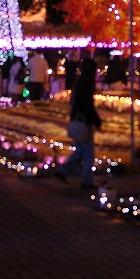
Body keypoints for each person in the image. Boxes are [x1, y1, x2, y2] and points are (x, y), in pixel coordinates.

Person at [54, 55, 102, 189]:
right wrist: (96, 120)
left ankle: (62, 171)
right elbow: (87, 106)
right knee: (87, 154)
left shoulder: (79, 82)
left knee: (81, 151)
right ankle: (86, 181)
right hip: (84, 122)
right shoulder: (85, 84)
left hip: (78, 120)